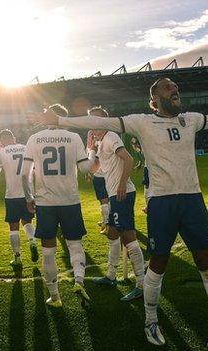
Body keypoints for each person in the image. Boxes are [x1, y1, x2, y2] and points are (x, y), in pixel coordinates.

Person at [27, 77, 208, 347]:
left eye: (176, 86)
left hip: (192, 200)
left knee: (205, 259)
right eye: (167, 87)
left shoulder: (190, 119)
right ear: (153, 101)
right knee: (159, 262)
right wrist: (60, 121)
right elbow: (101, 123)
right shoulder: (141, 122)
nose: (174, 88)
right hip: (162, 203)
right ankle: (151, 321)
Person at [21, 104, 97, 308]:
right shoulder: (73, 138)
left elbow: (24, 173)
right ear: (65, 119)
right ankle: (79, 281)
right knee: (75, 244)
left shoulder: (34, 139)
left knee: (48, 251)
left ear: (48, 118)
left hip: (46, 203)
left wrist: (29, 198)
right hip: (70, 201)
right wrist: (91, 150)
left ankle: (55, 297)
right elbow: (85, 168)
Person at [87, 107, 145, 302]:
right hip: (115, 194)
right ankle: (111, 276)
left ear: (104, 122)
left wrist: (121, 183)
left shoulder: (111, 136)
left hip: (123, 193)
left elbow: (128, 159)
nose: (91, 126)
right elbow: (95, 168)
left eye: (94, 121)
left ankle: (142, 285)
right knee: (112, 234)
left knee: (128, 237)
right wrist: (91, 149)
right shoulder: (101, 141)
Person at [0, 129, 39, 268]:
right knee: (27, 221)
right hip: (27, 193)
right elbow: (35, 169)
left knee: (13, 226)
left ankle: (17, 258)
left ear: (1, 141)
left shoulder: (2, 151)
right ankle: (32, 241)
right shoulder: (26, 148)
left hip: (11, 195)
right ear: (14, 137)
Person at [85, 130, 110, 235]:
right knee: (104, 201)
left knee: (104, 201)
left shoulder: (98, 139)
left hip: (102, 175)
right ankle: (105, 220)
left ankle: (108, 224)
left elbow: (93, 156)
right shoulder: (93, 139)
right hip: (104, 174)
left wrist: (88, 170)